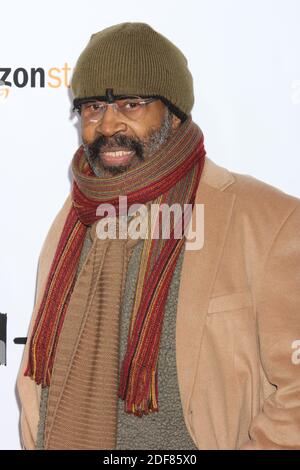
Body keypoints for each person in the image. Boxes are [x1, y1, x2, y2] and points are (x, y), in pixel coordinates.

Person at [17, 22, 300, 450]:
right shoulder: (73, 220)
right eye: (92, 107)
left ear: (174, 111)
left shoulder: (266, 220)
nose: (108, 124)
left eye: (131, 104)